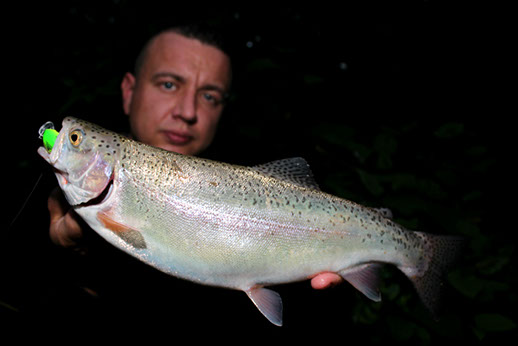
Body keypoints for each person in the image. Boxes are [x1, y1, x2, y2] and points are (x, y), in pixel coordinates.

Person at [47, 24, 342, 290]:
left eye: (209, 96)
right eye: (169, 84)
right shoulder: (56, 204)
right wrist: (77, 255)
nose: (188, 111)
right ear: (128, 91)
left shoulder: (250, 181)